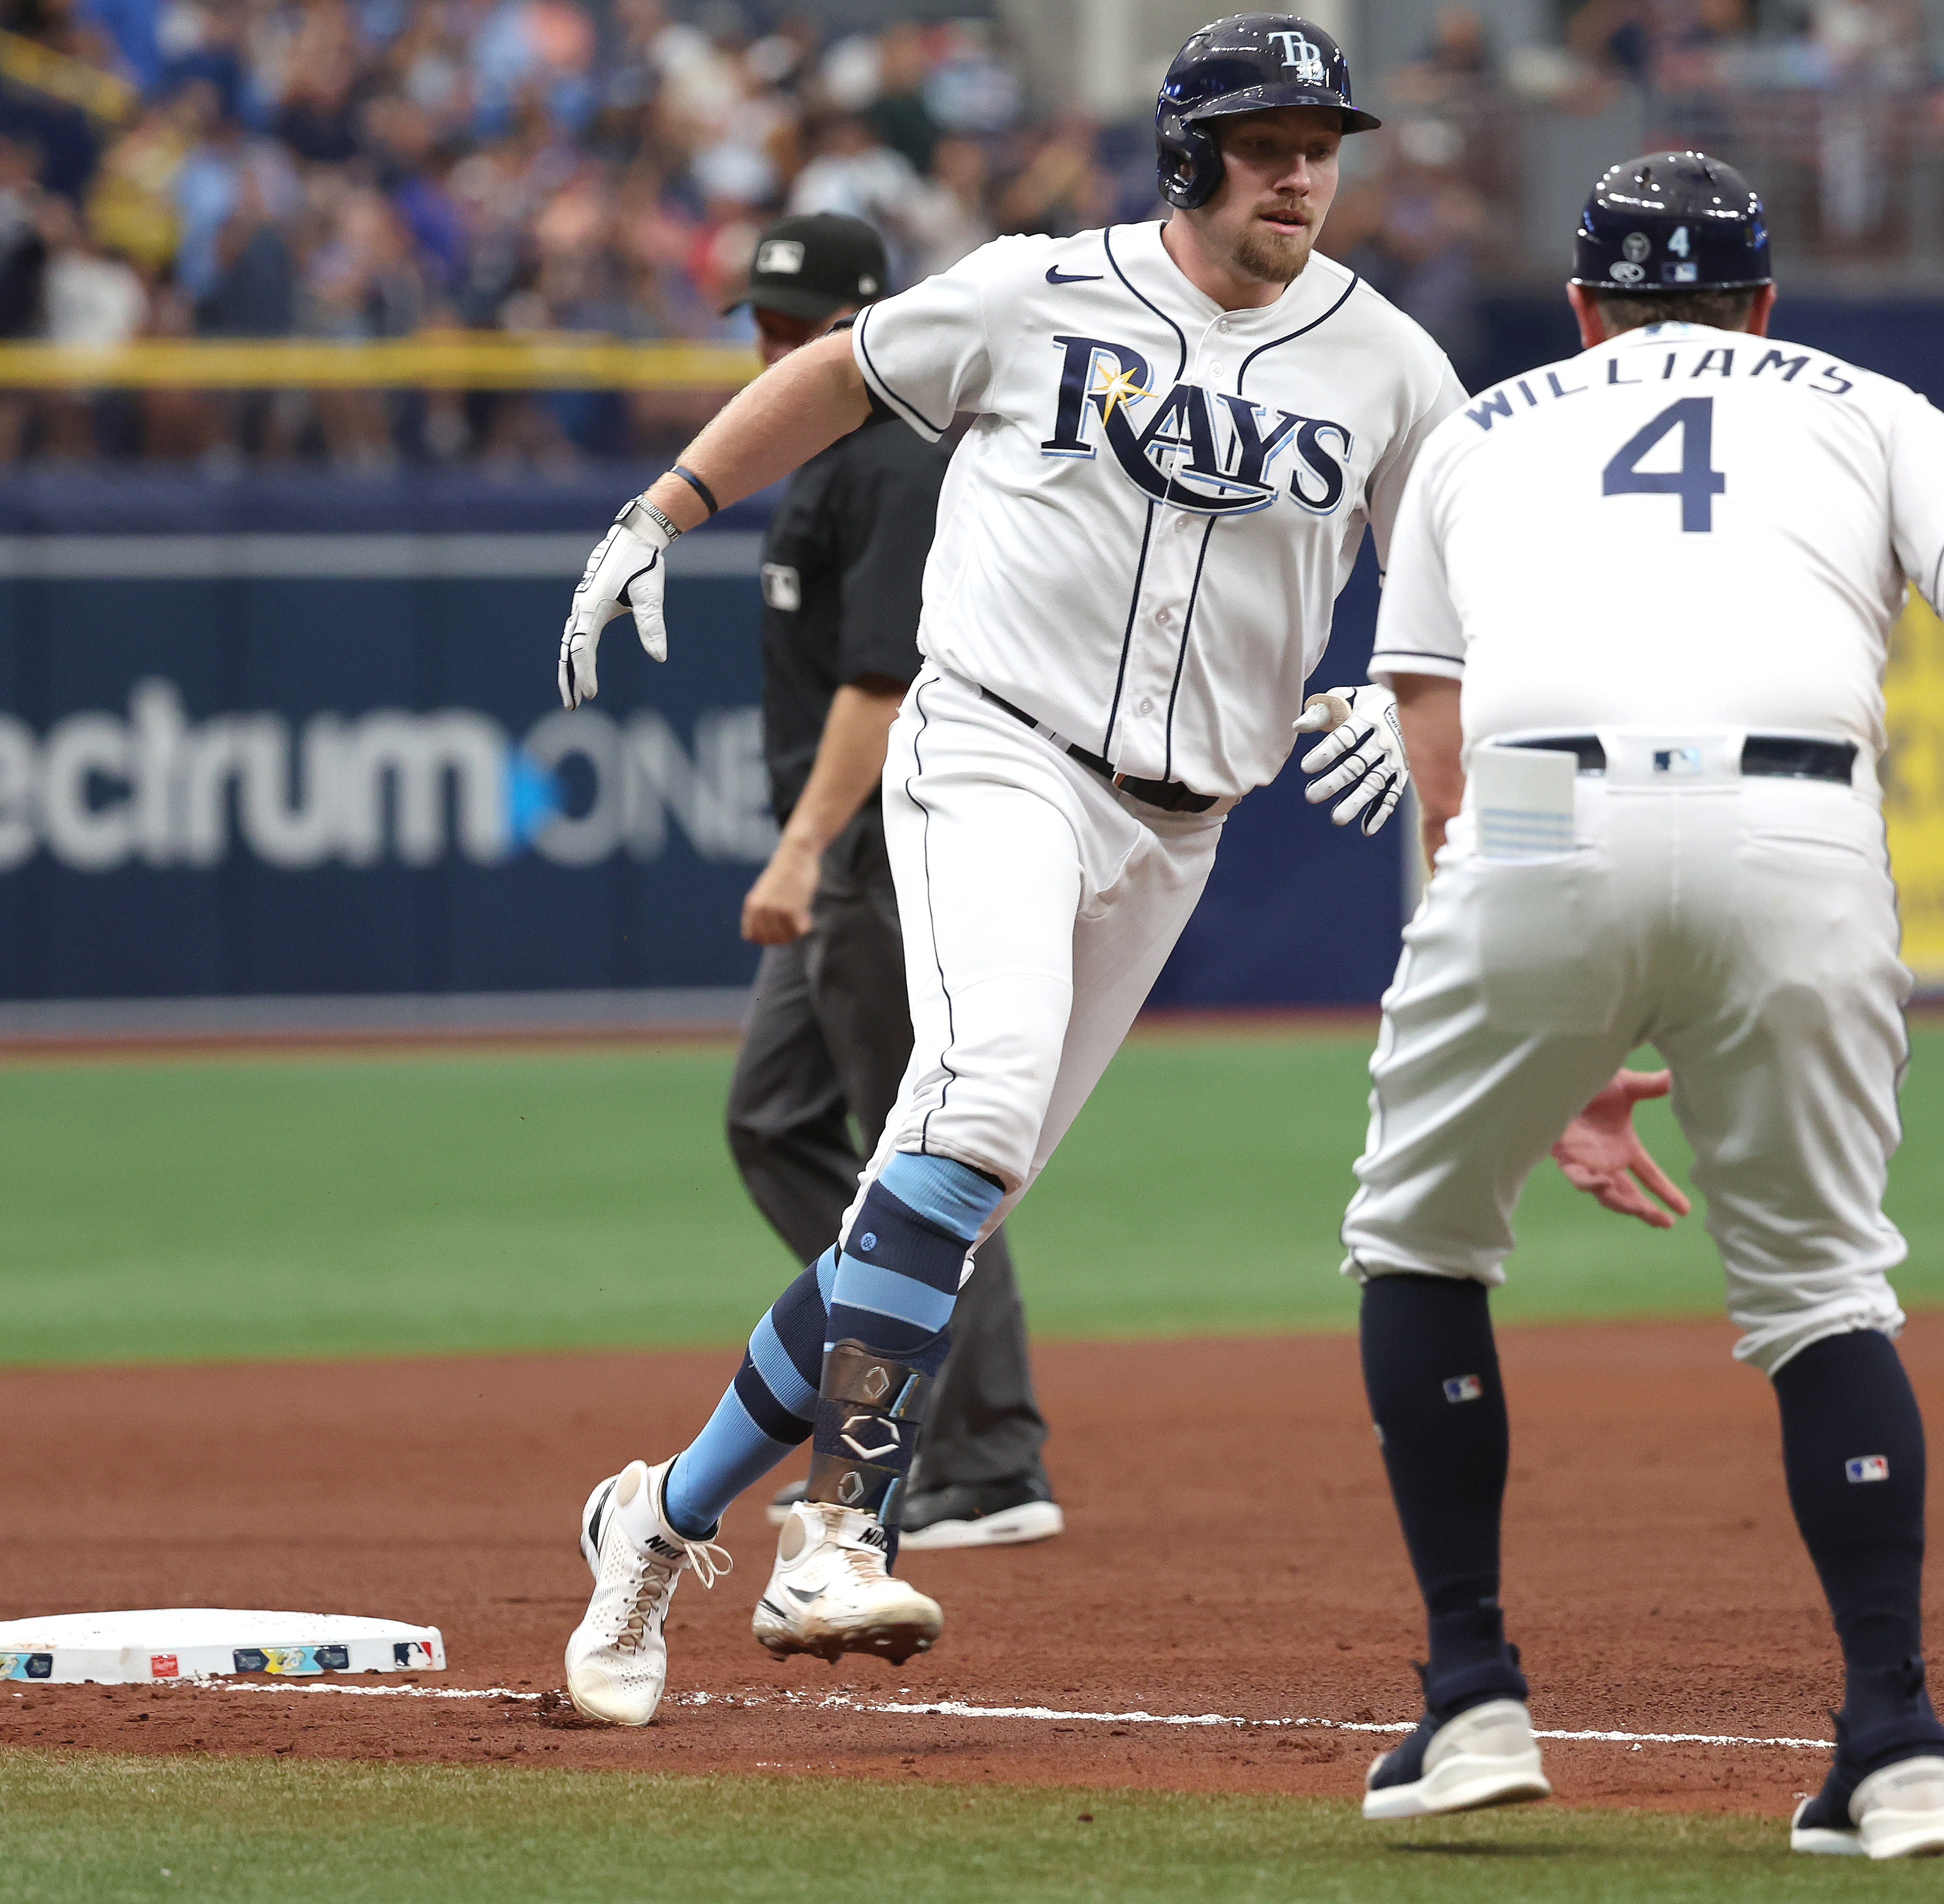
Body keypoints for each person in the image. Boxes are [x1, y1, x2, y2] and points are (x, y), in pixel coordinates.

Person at [550, 13, 1465, 1728]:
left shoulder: (1391, 364)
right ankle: (838, 1523)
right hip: (993, 750)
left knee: (935, 1210)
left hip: (1181, 825)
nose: (1305, 168)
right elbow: (836, 372)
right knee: (969, 1116)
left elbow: (1471, 569)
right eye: (1268, 137)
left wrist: (1416, 687)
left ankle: (658, 1520)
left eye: (1324, 138)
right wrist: (666, 507)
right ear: (1188, 151)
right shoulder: (1038, 288)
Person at [1333, 153, 1944, 1853]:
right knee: (1818, 1290)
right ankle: (1897, 1737)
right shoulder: (1866, 404)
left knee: (1421, 1241)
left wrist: (1553, 1041)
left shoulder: (1480, 432)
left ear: (1582, 311)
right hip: (1798, 819)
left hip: (1532, 813)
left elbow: (1435, 735)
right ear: (1762, 305)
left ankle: (1474, 1695)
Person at [715, 210, 1060, 1551]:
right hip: (846, 858)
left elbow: (883, 678)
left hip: (882, 852)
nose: (773, 347)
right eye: (765, 324)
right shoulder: (829, 465)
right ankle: (874, 1333)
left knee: (925, 1152)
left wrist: (803, 849)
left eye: (799, 330)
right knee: (774, 1121)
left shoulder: (894, 463)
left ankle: (991, 1456)